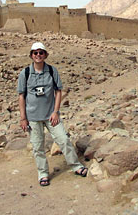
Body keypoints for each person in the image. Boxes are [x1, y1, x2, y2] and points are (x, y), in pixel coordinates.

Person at [17, 42, 87, 187]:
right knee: (38, 147)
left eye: (41, 52)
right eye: (35, 53)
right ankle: (43, 174)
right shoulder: (25, 73)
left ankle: (76, 166)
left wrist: (56, 111)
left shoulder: (51, 71)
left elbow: (58, 91)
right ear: (31, 55)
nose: (38, 55)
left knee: (63, 139)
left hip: (51, 116)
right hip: (33, 118)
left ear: (45, 55)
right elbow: (21, 96)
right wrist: (23, 118)